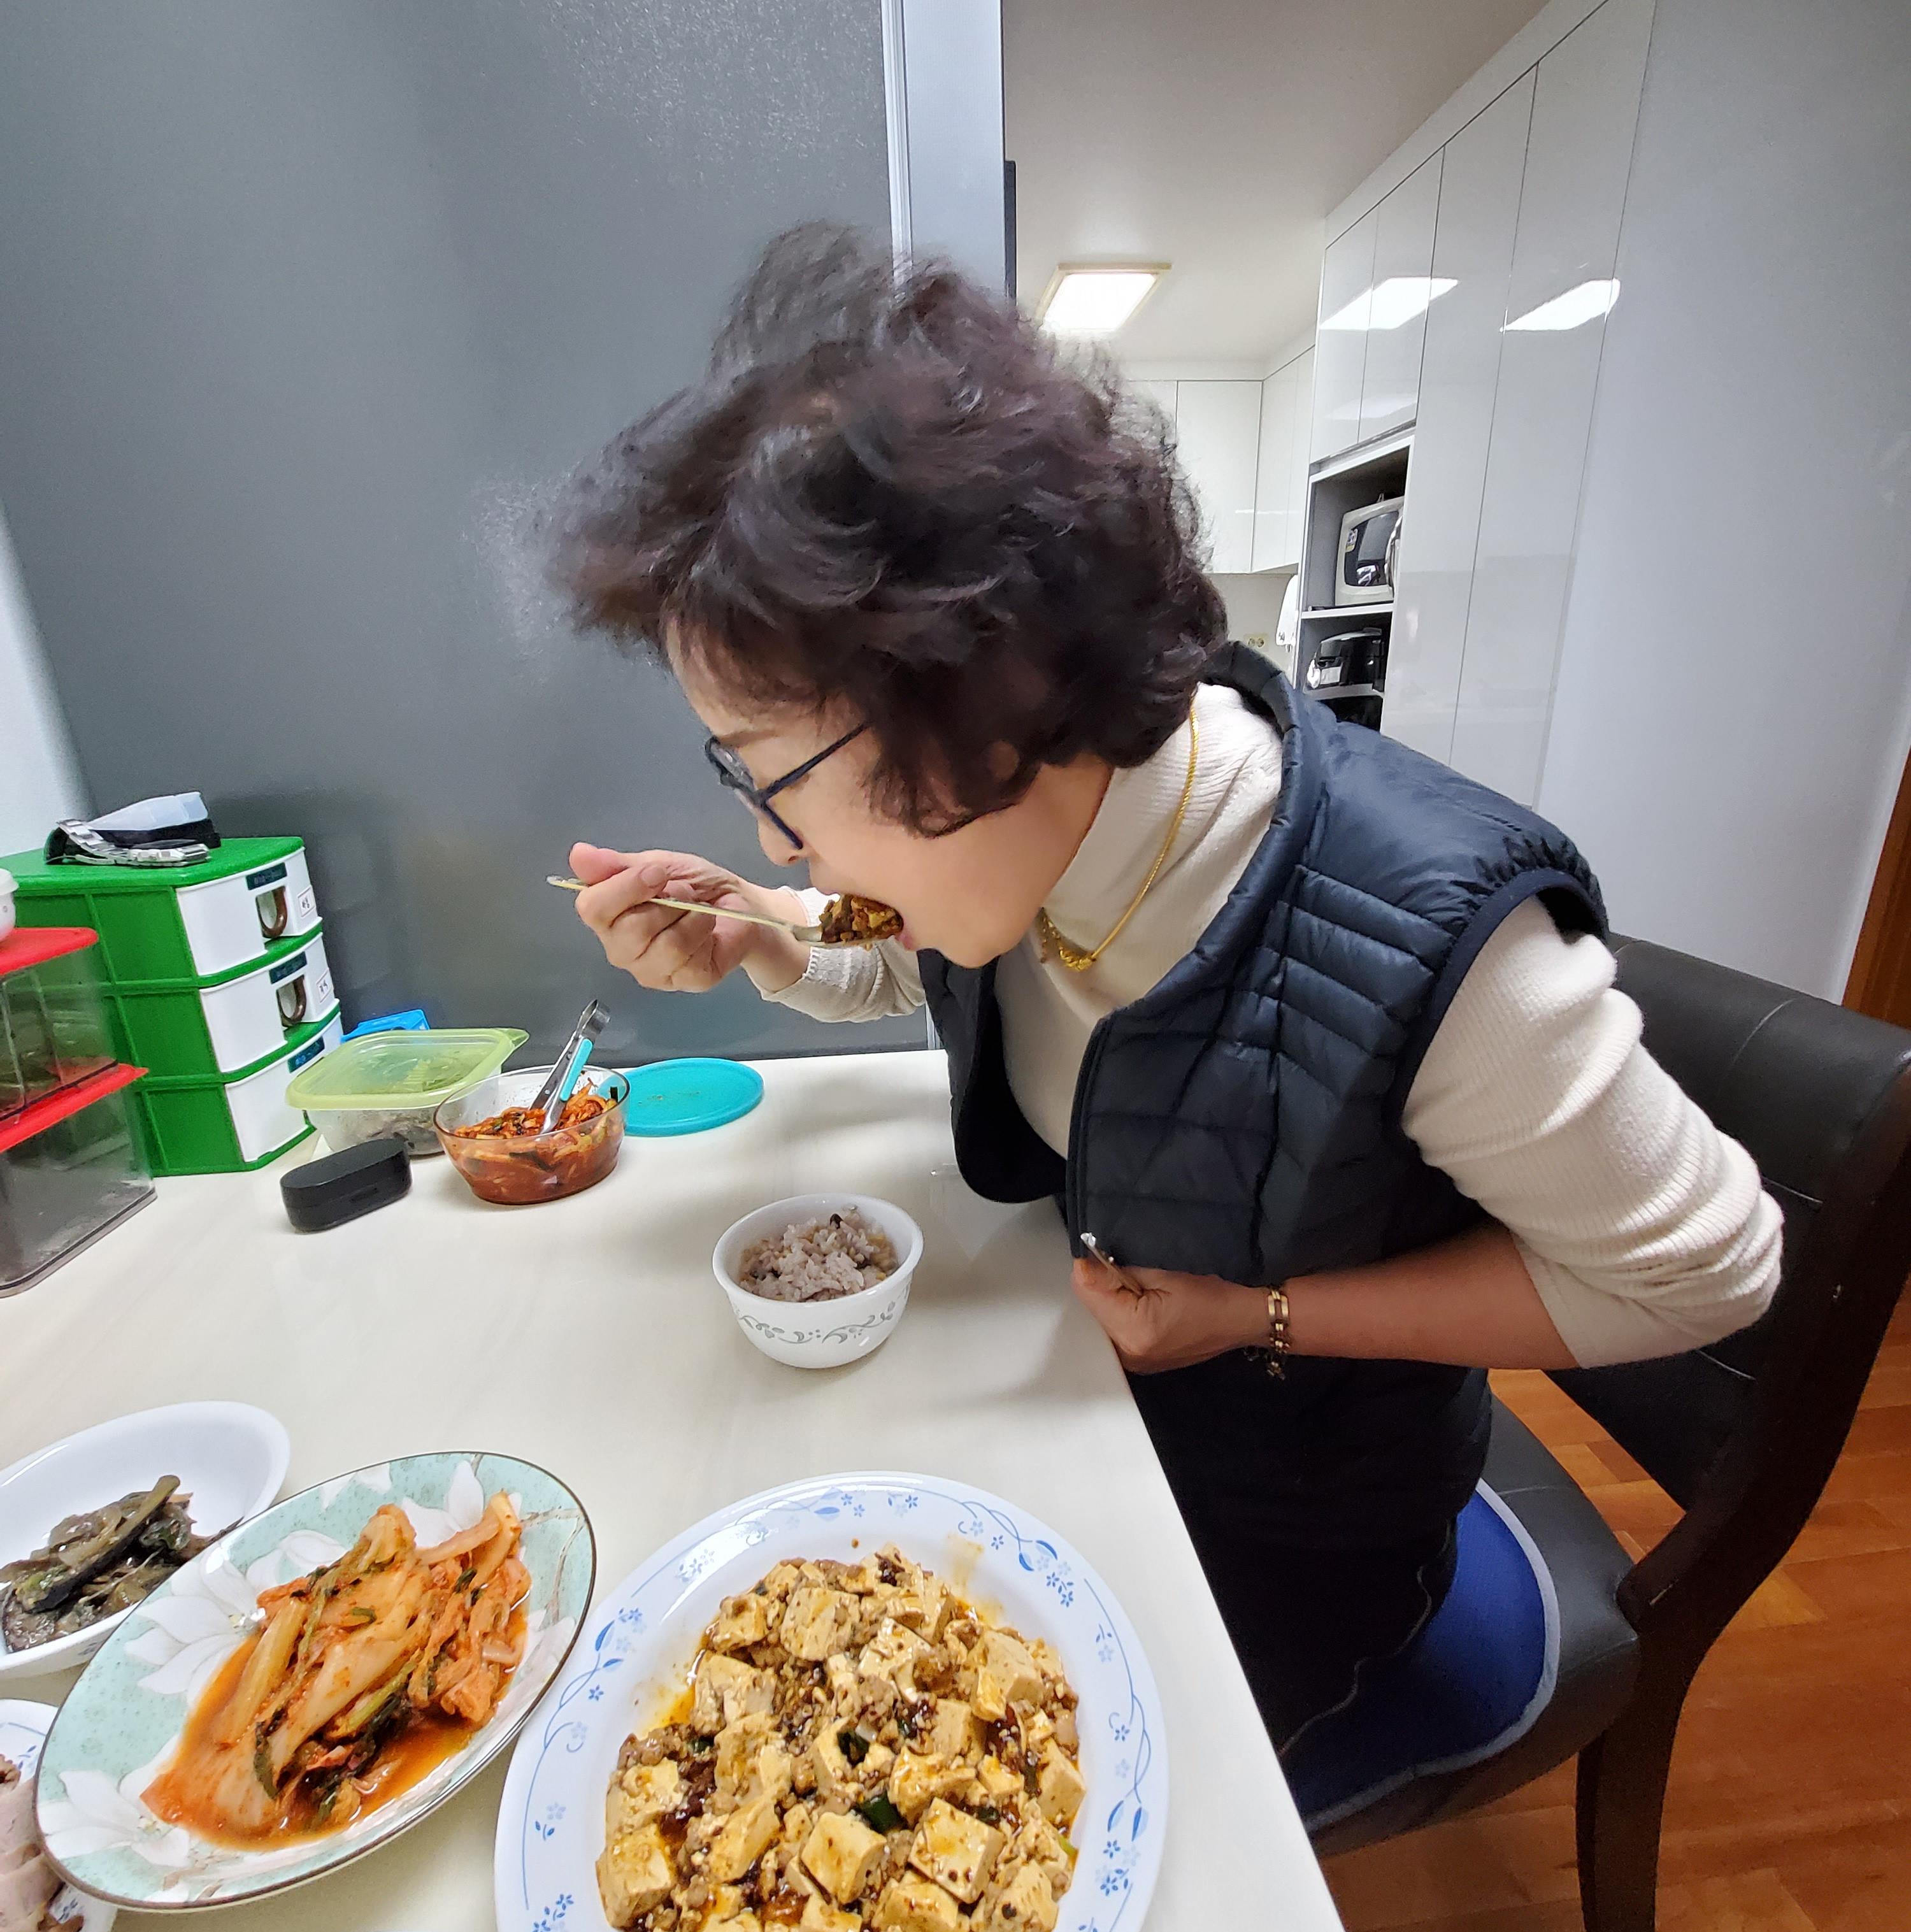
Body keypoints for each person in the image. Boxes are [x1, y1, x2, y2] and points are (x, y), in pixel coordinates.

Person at [547, 226, 1782, 1756]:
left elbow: (1709, 1273)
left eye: (776, 781)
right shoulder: (1046, 828)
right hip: (1109, 1415)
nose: (773, 842)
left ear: (979, 704)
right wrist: (767, 935)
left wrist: (1256, 1314)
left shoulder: (1442, 945)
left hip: (1301, 1529)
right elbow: (920, 946)